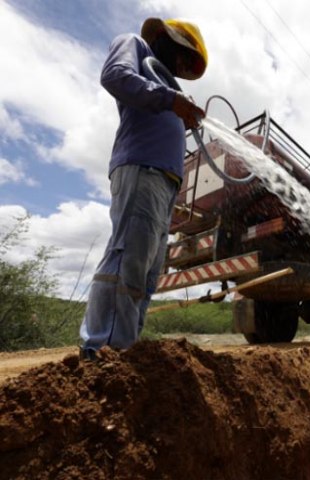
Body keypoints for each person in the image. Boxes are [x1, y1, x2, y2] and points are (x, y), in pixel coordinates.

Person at [79, 18, 207, 360]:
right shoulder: (135, 45)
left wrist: (178, 107)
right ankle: (103, 350)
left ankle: (126, 351)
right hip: (142, 168)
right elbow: (114, 76)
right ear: (166, 38)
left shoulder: (166, 89)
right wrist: (170, 99)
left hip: (164, 181)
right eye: (182, 57)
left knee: (147, 270)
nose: (180, 68)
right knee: (128, 257)